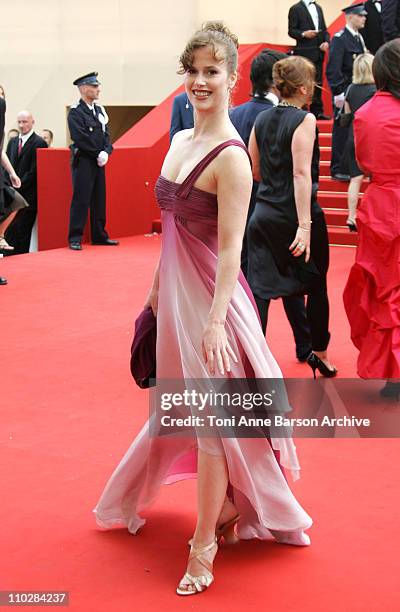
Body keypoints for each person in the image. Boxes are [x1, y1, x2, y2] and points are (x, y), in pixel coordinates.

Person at [94, 22, 312, 597]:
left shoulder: (231, 158)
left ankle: (205, 544)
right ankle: (228, 512)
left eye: (212, 71)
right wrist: (151, 295)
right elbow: (170, 231)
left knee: (215, 423)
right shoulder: (177, 142)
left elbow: (233, 247)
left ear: (233, 76)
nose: (199, 81)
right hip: (176, 295)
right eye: (191, 70)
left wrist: (216, 322)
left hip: (213, 305)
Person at [248, 55, 337, 380]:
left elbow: (254, 169)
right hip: (297, 215)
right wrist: (303, 225)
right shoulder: (305, 120)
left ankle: (252, 362)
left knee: (259, 290)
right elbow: (301, 172)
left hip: (263, 214)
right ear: (302, 87)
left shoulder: (261, 120)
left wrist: (274, 186)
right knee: (315, 287)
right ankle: (321, 356)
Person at [230, 49, 312, 362]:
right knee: (290, 279)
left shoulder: (236, 115)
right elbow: (299, 170)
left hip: (246, 209)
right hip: (278, 205)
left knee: (254, 283)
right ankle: (304, 344)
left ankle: (252, 350)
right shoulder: (290, 118)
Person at [343, 39, 400, 397]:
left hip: (379, 205)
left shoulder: (364, 113)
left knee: (384, 289)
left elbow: (363, 164)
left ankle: (391, 374)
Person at [67, 72, 118, 250]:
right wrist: (98, 153)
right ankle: (75, 237)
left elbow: (106, 135)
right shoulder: (76, 113)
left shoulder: (99, 111)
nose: (98, 89)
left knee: (99, 198)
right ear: (83, 89)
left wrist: (106, 151)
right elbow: (79, 137)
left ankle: (99, 235)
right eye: (94, 86)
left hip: (98, 160)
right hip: (84, 161)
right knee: (81, 199)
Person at [326, 3, 367, 181]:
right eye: (360, 15)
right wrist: (338, 93)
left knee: (353, 130)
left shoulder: (358, 38)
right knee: (342, 129)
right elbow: (333, 69)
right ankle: (337, 168)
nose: (364, 18)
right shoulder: (340, 39)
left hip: (355, 91)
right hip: (344, 92)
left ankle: (350, 166)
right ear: (350, 17)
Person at [4, 110, 47, 255]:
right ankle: (8, 257)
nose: (22, 125)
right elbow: (7, 165)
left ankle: (20, 257)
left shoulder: (39, 142)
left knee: (23, 232)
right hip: (11, 197)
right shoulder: (13, 142)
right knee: (9, 231)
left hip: (28, 197)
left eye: (25, 122)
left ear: (32, 122)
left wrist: (19, 184)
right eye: (19, 122)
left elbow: (35, 171)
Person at [343, 54, 376, 231]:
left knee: (355, 179)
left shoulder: (350, 89)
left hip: (352, 137)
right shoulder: (376, 90)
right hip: (370, 138)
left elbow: (347, 115)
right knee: (374, 179)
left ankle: (351, 216)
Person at [288, 0, 330, 119]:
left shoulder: (319, 8)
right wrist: (303, 34)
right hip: (304, 52)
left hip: (319, 52)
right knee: (303, 81)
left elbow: (324, 30)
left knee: (318, 82)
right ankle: (303, 109)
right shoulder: (295, 9)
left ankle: (318, 111)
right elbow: (291, 31)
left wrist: (326, 41)